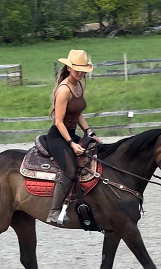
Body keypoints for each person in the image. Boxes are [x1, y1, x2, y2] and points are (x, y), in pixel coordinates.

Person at [46, 49, 102, 224]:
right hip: (58, 136)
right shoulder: (64, 90)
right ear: (68, 68)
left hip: (70, 134)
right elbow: (58, 121)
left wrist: (89, 132)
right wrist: (71, 143)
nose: (80, 72)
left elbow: (77, 113)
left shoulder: (79, 85)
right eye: (76, 69)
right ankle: (54, 211)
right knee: (69, 170)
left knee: (94, 153)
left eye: (82, 69)